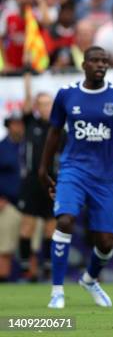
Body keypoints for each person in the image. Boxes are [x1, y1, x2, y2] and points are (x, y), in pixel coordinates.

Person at [38, 46, 113, 309]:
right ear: (84, 64)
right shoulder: (67, 94)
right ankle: (57, 291)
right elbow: (54, 133)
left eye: (105, 61)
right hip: (73, 170)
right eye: (95, 60)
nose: (100, 65)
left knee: (106, 242)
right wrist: (43, 168)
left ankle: (90, 279)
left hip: (106, 177)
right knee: (66, 220)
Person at [17, 73, 55, 281]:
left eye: (49, 103)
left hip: (52, 180)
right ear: (37, 107)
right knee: (27, 225)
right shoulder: (31, 123)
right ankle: (25, 265)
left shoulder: (58, 129)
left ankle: (48, 265)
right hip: (32, 181)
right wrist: (27, 81)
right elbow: (26, 104)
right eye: (42, 104)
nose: (46, 107)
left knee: (51, 226)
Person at [0, 113, 25, 282]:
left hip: (31, 202)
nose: (18, 127)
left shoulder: (30, 145)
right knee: (5, 246)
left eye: (21, 123)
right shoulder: (1, 147)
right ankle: (2, 279)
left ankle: (35, 282)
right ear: (8, 126)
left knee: (33, 245)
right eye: (15, 124)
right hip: (7, 201)